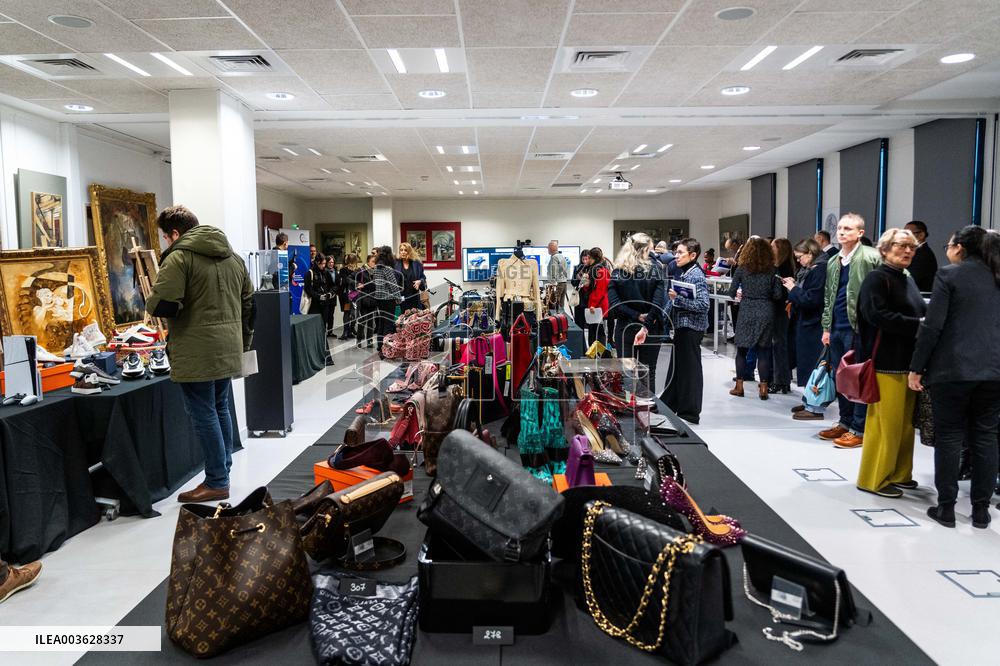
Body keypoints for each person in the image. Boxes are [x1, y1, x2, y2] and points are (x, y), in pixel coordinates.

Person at [147, 205, 253, 503]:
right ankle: (223, 470)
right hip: (227, 347)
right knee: (219, 406)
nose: (166, 242)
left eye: (166, 236)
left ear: (176, 233)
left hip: (196, 349)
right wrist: (242, 342)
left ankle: (218, 480)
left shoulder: (179, 258)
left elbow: (161, 304)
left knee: (204, 412)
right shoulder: (233, 258)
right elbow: (249, 304)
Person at [910, 226, 1000, 529]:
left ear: (960, 247)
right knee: (986, 437)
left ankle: (946, 507)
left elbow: (932, 327)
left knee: (949, 436)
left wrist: (917, 367)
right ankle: (981, 510)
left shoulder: (950, 275)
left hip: (952, 369)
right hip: (994, 371)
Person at [855, 228, 926, 498]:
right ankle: (874, 478)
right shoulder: (877, 278)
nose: (907, 251)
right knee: (886, 424)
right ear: (884, 249)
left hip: (908, 362)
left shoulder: (906, 278)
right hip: (885, 362)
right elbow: (876, 315)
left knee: (905, 425)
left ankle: (899, 474)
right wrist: (918, 326)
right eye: (901, 246)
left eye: (912, 247)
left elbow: (919, 309)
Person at [815, 213, 882, 448]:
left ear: (860, 233)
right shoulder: (834, 261)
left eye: (848, 229)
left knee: (858, 378)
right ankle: (844, 422)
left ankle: (859, 428)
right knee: (840, 377)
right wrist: (826, 327)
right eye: (840, 228)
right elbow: (828, 296)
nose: (842, 232)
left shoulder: (872, 257)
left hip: (860, 329)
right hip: (837, 327)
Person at [607, 233, 668, 398]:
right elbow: (658, 303)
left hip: (625, 327)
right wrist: (646, 323)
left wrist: (636, 316)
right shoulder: (656, 270)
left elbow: (615, 303)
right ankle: (646, 413)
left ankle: (629, 409)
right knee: (648, 372)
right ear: (646, 249)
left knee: (627, 371)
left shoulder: (618, 271)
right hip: (652, 328)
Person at [658, 239, 710, 423]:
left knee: (689, 371)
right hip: (683, 327)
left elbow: (704, 304)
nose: (676, 256)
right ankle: (670, 404)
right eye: (676, 252)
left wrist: (677, 299)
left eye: (680, 253)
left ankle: (690, 411)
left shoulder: (695, 275)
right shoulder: (686, 272)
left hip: (691, 328)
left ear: (693, 255)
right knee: (678, 368)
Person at [727, 236, 785, 400]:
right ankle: (764, 389)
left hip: (746, 310)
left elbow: (731, 293)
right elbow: (778, 294)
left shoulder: (741, 269)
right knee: (764, 351)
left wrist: (742, 293)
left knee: (742, 351)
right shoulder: (773, 270)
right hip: (766, 311)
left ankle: (739, 386)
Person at [785, 238, 827, 394]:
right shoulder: (812, 270)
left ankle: (813, 403)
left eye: (799, 257)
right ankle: (809, 400)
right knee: (807, 364)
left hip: (813, 324)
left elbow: (811, 299)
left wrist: (793, 289)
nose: (798, 260)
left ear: (810, 253)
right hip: (807, 323)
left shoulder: (819, 270)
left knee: (812, 365)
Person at [362, 245, 403, 354]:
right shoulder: (388, 269)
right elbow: (393, 285)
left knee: (381, 322)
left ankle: (380, 346)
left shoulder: (376, 268)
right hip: (389, 299)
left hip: (379, 299)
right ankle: (386, 348)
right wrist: (398, 298)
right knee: (389, 323)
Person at [770, 238, 797, 394]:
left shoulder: (781, 268)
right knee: (781, 346)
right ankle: (783, 381)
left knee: (779, 346)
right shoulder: (788, 266)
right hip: (783, 310)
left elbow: (780, 293)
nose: (771, 248)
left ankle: (780, 381)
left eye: (773, 246)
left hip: (780, 310)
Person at [585, 247, 611, 347]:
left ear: (594, 258)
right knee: (593, 330)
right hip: (595, 304)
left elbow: (600, 290)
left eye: (589, 258)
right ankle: (593, 353)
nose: (588, 260)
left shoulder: (601, 271)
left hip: (598, 305)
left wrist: (593, 305)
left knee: (599, 331)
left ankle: (602, 354)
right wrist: (586, 285)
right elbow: (592, 288)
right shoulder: (594, 270)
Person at [904, 220, 938, 292]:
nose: (904, 237)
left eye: (907, 233)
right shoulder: (919, 252)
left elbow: (911, 279)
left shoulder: (923, 255)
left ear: (921, 235)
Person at [355, 252, 378, 349]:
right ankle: (359, 339)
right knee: (363, 320)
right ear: (368, 262)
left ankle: (369, 340)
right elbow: (350, 279)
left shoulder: (376, 271)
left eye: (375, 262)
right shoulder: (361, 271)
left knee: (371, 322)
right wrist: (357, 284)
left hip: (373, 298)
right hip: (363, 299)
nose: (375, 263)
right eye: (373, 262)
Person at [395, 242, 427, 311]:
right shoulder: (395, 264)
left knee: (415, 319)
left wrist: (420, 281)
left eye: (405, 250)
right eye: (401, 250)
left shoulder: (417, 264)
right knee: (403, 319)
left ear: (409, 251)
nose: (403, 252)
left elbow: (423, 277)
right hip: (401, 297)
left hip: (414, 297)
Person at [338, 254, 360, 340]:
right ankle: (345, 331)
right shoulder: (343, 270)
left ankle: (352, 329)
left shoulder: (358, 270)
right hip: (346, 296)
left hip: (356, 295)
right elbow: (344, 281)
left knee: (355, 313)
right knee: (347, 312)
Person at [570, 249, 592, 335]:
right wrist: (578, 279)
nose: (585, 261)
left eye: (587, 259)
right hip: (579, 298)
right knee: (579, 322)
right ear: (581, 259)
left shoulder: (592, 268)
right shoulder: (577, 267)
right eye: (583, 259)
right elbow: (573, 282)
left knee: (590, 323)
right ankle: (581, 344)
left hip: (589, 298)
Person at [546, 240, 571, 312]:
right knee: (561, 304)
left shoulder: (554, 257)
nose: (548, 249)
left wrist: (553, 284)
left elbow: (553, 270)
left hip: (557, 284)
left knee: (554, 304)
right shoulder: (561, 256)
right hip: (563, 283)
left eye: (548, 248)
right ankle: (561, 320)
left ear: (551, 248)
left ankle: (556, 321)